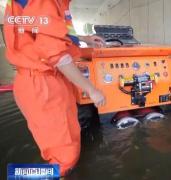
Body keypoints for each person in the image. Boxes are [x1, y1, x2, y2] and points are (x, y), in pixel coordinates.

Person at [3, 0, 106, 176]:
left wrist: (83, 38)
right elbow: (57, 55)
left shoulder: (58, 3)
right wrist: (92, 90)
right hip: (43, 83)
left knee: (66, 141)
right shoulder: (45, 1)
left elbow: (52, 30)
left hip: (44, 79)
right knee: (65, 158)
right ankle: (17, 176)